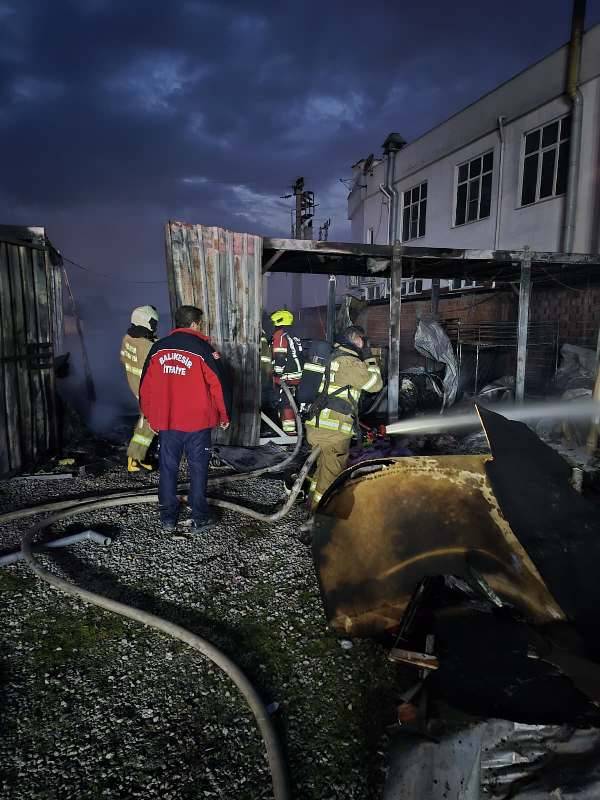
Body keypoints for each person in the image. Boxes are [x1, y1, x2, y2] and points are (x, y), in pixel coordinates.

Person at [139, 305, 231, 532]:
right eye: (200, 322)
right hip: (197, 423)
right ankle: (199, 516)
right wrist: (223, 414)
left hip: (169, 423)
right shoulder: (203, 349)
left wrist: (151, 416)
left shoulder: (158, 348)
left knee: (168, 468)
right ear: (194, 324)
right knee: (198, 468)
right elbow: (218, 385)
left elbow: (145, 386)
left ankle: (168, 518)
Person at [305, 325, 383, 509]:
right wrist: (370, 358)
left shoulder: (331, 358)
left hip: (317, 427)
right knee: (331, 476)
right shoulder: (349, 362)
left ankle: (311, 505)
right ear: (355, 340)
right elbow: (376, 385)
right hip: (334, 430)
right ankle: (321, 518)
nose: (364, 343)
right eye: (362, 340)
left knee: (322, 470)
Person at [119, 305, 159, 472]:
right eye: (153, 323)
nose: (155, 326)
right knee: (149, 422)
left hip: (136, 385)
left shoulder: (127, 338)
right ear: (145, 322)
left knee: (146, 419)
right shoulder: (147, 345)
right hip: (148, 389)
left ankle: (136, 457)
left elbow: (123, 359)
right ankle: (135, 459)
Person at [270, 308, 303, 435]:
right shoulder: (292, 335)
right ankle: (294, 431)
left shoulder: (279, 335)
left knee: (285, 404)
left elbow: (280, 357)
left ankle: (289, 434)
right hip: (297, 376)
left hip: (287, 377)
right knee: (292, 404)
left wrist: (276, 374)